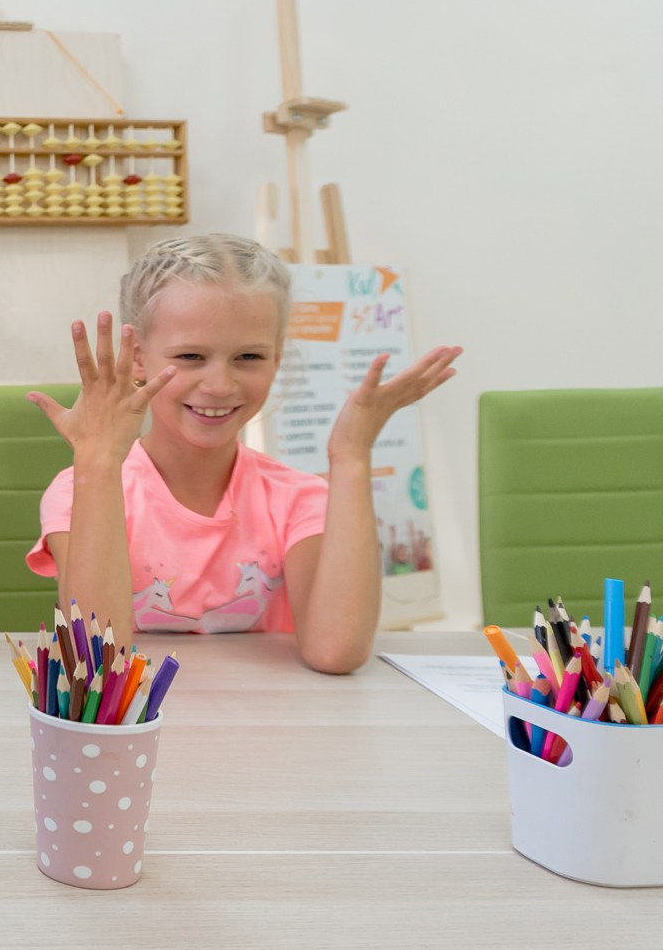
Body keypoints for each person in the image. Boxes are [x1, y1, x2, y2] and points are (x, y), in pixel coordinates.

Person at [25, 235, 462, 672]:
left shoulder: (299, 499)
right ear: (138, 357)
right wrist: (99, 461)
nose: (220, 385)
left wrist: (351, 453)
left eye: (249, 356)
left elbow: (336, 652)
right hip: (139, 728)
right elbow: (96, 661)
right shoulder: (80, 491)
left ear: (277, 360)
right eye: (191, 356)